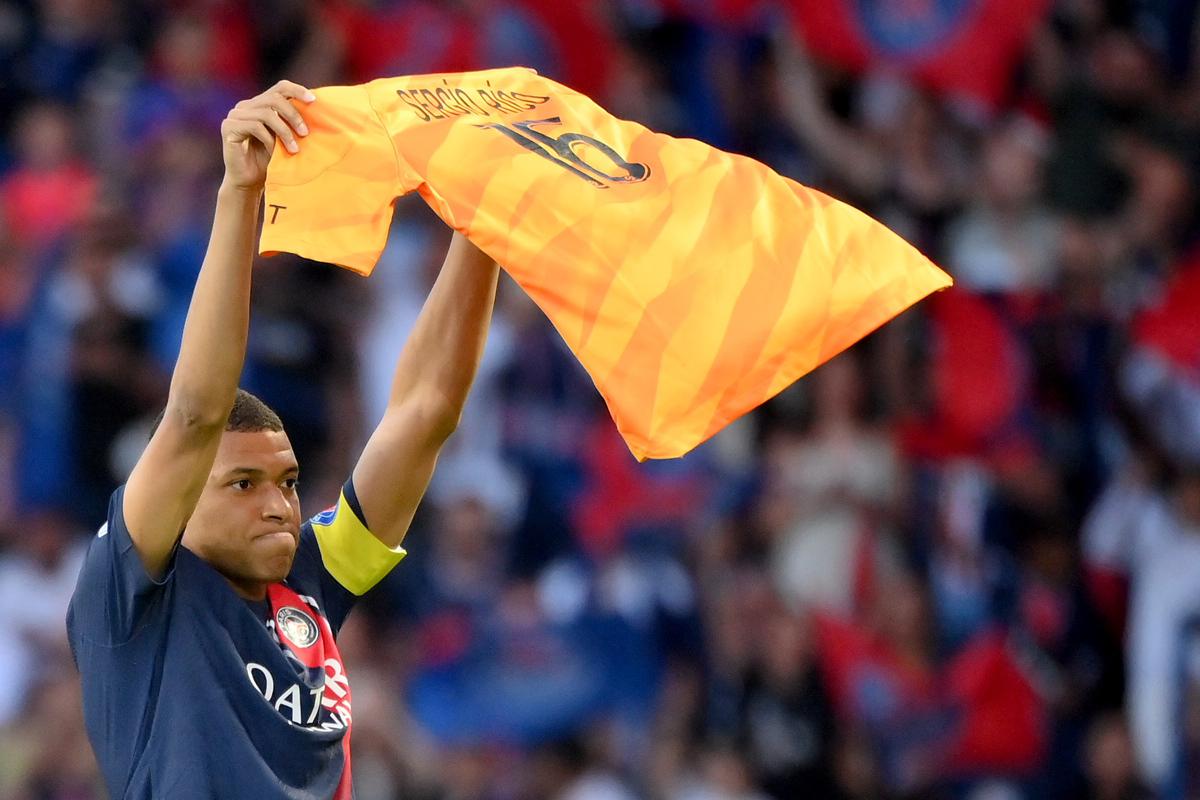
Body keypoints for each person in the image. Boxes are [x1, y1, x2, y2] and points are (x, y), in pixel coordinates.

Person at [65, 80, 500, 799]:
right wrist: (242, 190)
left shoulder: (310, 584)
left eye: (289, 482)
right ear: (176, 504)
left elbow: (426, 411)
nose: (278, 504)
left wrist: (485, 221)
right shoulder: (135, 594)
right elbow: (194, 416)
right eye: (243, 484)